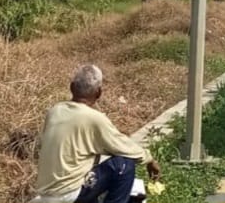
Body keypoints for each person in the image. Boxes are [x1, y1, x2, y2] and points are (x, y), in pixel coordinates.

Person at [31, 64, 161, 203]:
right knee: (123, 164)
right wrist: (150, 160)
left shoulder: (55, 111)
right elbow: (123, 146)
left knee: (88, 166)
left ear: (72, 87)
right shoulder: (94, 118)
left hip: (46, 194)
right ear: (99, 92)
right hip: (69, 194)